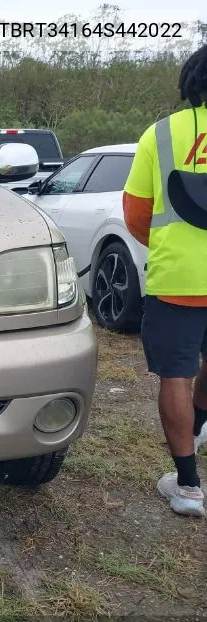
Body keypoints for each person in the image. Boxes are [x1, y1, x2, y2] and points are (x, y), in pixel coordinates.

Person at [123, 44, 207, 518]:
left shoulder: (161, 134)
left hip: (178, 277)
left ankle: (188, 486)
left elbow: (136, 213)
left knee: (177, 374)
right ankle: (197, 426)